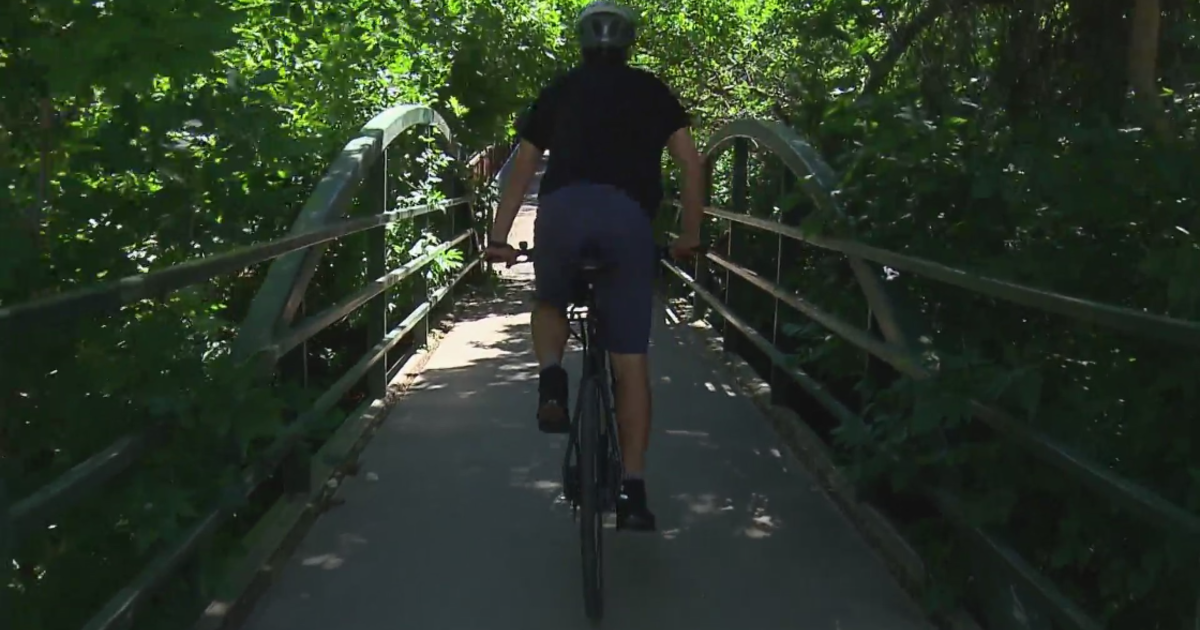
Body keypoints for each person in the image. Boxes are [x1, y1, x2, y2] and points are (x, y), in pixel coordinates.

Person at [484, 0, 705, 532]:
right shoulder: (652, 91)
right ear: (629, 44)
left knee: (550, 299)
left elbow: (521, 170)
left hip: (562, 215)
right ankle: (632, 491)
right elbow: (691, 164)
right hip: (628, 222)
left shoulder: (560, 90)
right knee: (630, 363)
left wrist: (498, 237)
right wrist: (690, 236)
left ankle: (553, 379)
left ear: (581, 43)